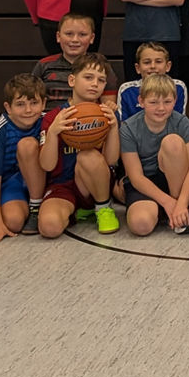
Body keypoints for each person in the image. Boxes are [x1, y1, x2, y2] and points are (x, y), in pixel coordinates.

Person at [38, 53, 122, 238]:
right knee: (49, 228)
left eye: (101, 80)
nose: (94, 84)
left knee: (88, 156)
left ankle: (102, 208)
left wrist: (114, 126)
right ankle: (75, 211)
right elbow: (46, 165)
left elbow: (111, 160)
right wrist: (53, 133)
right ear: (71, 80)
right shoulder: (54, 117)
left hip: (96, 184)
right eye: (88, 77)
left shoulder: (106, 114)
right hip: (63, 186)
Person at [120, 73, 189, 236]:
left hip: (174, 179)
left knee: (173, 142)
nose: (161, 108)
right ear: (141, 101)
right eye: (153, 102)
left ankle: (181, 209)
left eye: (167, 102)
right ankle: (167, 210)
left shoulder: (181, 122)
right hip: (145, 184)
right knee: (140, 225)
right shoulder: (128, 128)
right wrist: (168, 202)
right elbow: (136, 177)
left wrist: (181, 203)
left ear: (175, 101)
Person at [0, 74, 48, 242]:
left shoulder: (47, 120)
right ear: (8, 107)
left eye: (34, 103)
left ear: (44, 103)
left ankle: (36, 206)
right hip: (12, 181)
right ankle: (30, 207)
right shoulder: (0, 129)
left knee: (28, 144)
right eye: (20, 104)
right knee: (13, 221)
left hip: (42, 179)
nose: (28, 110)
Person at [31, 13, 119, 110]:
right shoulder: (44, 65)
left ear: (92, 38)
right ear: (58, 36)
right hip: (50, 120)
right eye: (69, 34)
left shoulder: (101, 66)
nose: (75, 40)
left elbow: (108, 105)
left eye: (82, 34)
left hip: (89, 120)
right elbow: (31, 99)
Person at [117, 42, 188, 121]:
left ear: (168, 66)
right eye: (147, 62)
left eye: (158, 62)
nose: (153, 66)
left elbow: (179, 122)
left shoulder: (178, 87)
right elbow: (123, 126)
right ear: (138, 68)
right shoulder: (126, 90)